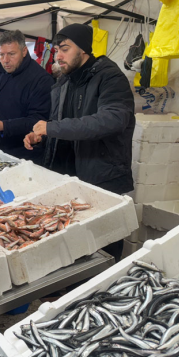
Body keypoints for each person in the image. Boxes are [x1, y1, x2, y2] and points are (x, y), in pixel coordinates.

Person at [24, 23, 135, 261]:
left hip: (103, 177)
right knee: (76, 247)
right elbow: (60, 126)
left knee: (104, 248)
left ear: (83, 50)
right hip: (70, 180)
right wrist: (42, 137)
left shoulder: (110, 77)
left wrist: (53, 127)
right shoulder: (63, 83)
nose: (58, 56)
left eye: (64, 49)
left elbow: (113, 119)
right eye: (56, 50)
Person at [0, 30, 53, 162]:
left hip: (25, 153)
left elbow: (38, 119)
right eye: (1, 55)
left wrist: (4, 126)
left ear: (24, 51)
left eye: (11, 54)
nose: (5, 60)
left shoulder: (41, 79)